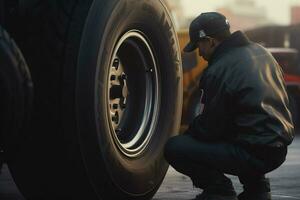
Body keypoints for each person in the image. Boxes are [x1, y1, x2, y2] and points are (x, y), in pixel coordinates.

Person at [164, 12, 294, 200]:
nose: (200, 53)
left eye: (199, 45)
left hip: (252, 152)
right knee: (246, 124)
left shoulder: (219, 69)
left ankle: (219, 190)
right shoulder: (263, 54)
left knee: (176, 147)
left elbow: (211, 128)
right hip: (278, 148)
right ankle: (257, 189)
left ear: (210, 41)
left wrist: (189, 135)